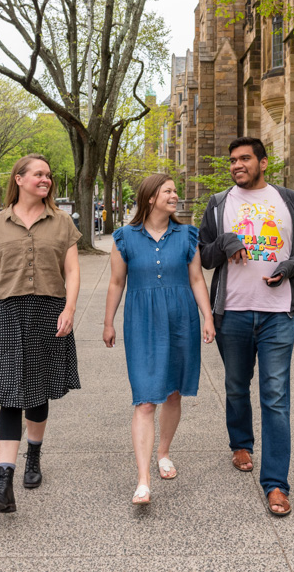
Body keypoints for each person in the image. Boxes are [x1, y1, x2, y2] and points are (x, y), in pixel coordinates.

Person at [197, 137, 294, 516]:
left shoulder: (290, 202)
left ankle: (276, 485)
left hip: (278, 313)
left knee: (276, 396)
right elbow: (204, 256)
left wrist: (287, 268)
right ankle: (241, 443)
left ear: (263, 163)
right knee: (236, 387)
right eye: (233, 159)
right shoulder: (219, 204)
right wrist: (226, 242)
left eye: (245, 158)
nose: (237, 165)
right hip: (231, 312)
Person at [0, 154, 82, 513]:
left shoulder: (62, 222)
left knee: (36, 390)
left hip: (48, 311)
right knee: (8, 393)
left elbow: (73, 270)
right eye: (38, 174)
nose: (45, 179)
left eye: (48, 175)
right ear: (19, 179)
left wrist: (69, 309)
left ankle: (33, 456)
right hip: (7, 312)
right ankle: (4, 481)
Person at [103, 174, 214, 505]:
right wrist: (108, 322)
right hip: (142, 322)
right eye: (168, 191)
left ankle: (163, 452)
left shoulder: (187, 235)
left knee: (174, 393)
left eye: (175, 191)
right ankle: (143, 480)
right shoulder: (124, 238)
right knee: (145, 399)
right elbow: (115, 283)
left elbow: (196, 279)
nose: (175, 196)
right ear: (150, 198)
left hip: (182, 319)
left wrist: (207, 316)